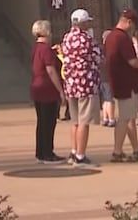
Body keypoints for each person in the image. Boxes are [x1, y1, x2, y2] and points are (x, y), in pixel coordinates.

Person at [104, 9, 138, 163]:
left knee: (130, 117)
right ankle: (117, 152)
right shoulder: (122, 38)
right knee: (125, 118)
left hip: (118, 82)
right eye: (133, 24)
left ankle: (136, 149)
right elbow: (132, 62)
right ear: (129, 22)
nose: (133, 28)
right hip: (128, 84)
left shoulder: (110, 37)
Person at [62, 9, 101, 166]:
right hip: (86, 83)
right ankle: (80, 156)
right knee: (84, 122)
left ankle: (73, 151)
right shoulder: (87, 39)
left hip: (71, 84)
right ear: (83, 23)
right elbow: (98, 57)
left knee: (75, 121)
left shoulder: (66, 38)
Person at [30, 20, 65, 164]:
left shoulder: (37, 48)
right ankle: (47, 153)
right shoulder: (45, 50)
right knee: (49, 121)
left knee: (42, 121)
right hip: (47, 88)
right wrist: (60, 90)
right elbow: (51, 70)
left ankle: (40, 152)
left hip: (37, 87)